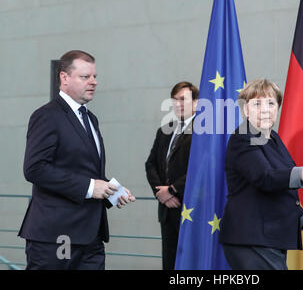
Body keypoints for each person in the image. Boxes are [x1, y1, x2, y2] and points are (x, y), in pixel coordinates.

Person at [19, 50, 135, 270]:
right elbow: (34, 168)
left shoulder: (91, 118)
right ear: (64, 78)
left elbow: (85, 169)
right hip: (56, 237)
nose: (94, 82)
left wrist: (112, 191)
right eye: (85, 77)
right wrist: (91, 187)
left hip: (91, 237)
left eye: (94, 76)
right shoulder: (47, 115)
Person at [219, 79, 303, 270]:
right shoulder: (243, 136)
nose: (265, 110)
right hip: (251, 238)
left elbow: (280, 189)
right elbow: (267, 178)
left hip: (269, 237)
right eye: (257, 104)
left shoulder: (273, 137)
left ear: (278, 108)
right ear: (246, 110)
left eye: (271, 103)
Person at [145, 81, 199, 270]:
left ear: (196, 103)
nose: (178, 104)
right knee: (170, 264)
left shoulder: (204, 132)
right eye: (175, 100)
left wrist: (174, 190)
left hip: (191, 210)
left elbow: (201, 168)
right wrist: (162, 193)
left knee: (192, 265)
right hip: (167, 211)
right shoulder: (165, 131)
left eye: (183, 99)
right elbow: (150, 164)